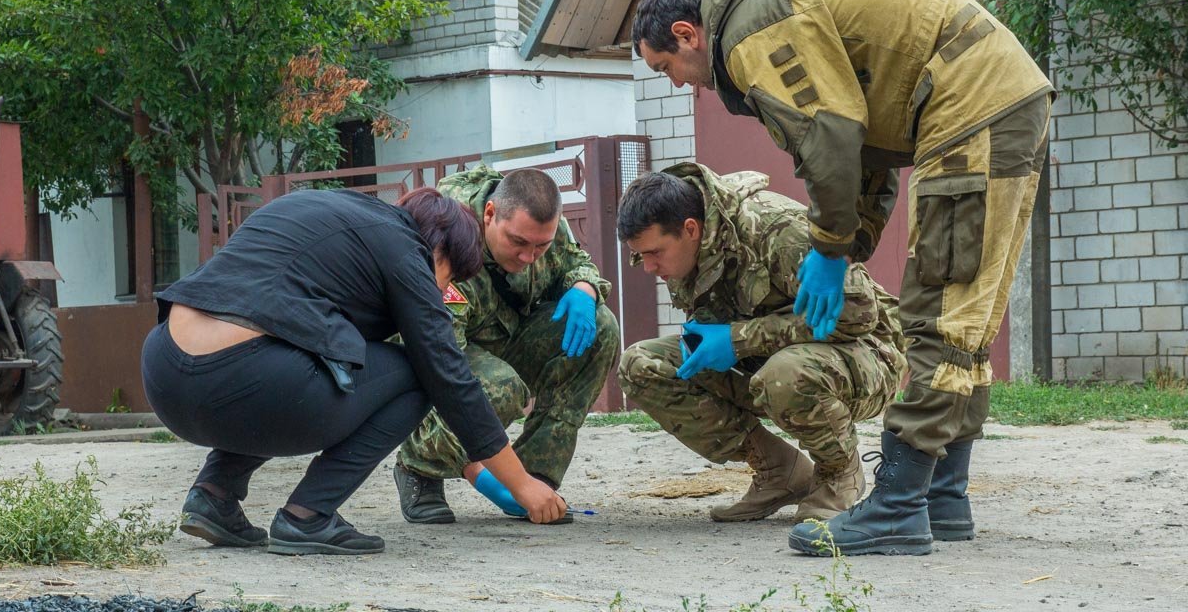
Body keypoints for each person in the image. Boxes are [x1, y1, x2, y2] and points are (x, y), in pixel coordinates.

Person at [631, 0, 1054, 556]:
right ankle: (942, 497)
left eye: (665, 67)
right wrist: (849, 245)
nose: (677, 83)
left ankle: (899, 507)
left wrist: (830, 251)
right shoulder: (773, 12)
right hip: (995, 98)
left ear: (686, 34)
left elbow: (828, 136)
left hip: (971, 104)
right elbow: (866, 152)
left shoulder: (752, 31)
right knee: (966, 317)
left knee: (941, 313)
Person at [141, 187, 566, 557]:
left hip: (165, 374)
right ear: (439, 248)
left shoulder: (327, 216)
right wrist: (520, 484)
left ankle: (214, 495)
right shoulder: (406, 249)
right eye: (450, 276)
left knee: (300, 363)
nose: (443, 291)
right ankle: (308, 515)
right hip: (244, 379)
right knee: (417, 373)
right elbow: (448, 376)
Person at [616, 163, 905, 524]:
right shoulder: (688, 248)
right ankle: (778, 471)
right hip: (771, 359)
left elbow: (858, 312)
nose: (648, 267)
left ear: (690, 229)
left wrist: (737, 339)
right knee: (642, 365)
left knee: (785, 374)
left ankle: (838, 472)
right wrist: (707, 339)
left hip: (866, 353)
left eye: (654, 253)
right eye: (640, 255)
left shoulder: (775, 229)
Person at [393, 166, 619, 524]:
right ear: (490, 214)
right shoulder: (446, 238)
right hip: (445, 354)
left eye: (541, 246)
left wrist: (584, 288)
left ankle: (537, 477)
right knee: (501, 387)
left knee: (601, 326)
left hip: (507, 339)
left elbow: (577, 263)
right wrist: (482, 476)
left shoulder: (543, 227)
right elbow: (439, 369)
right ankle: (420, 466)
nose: (530, 257)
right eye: (519, 243)